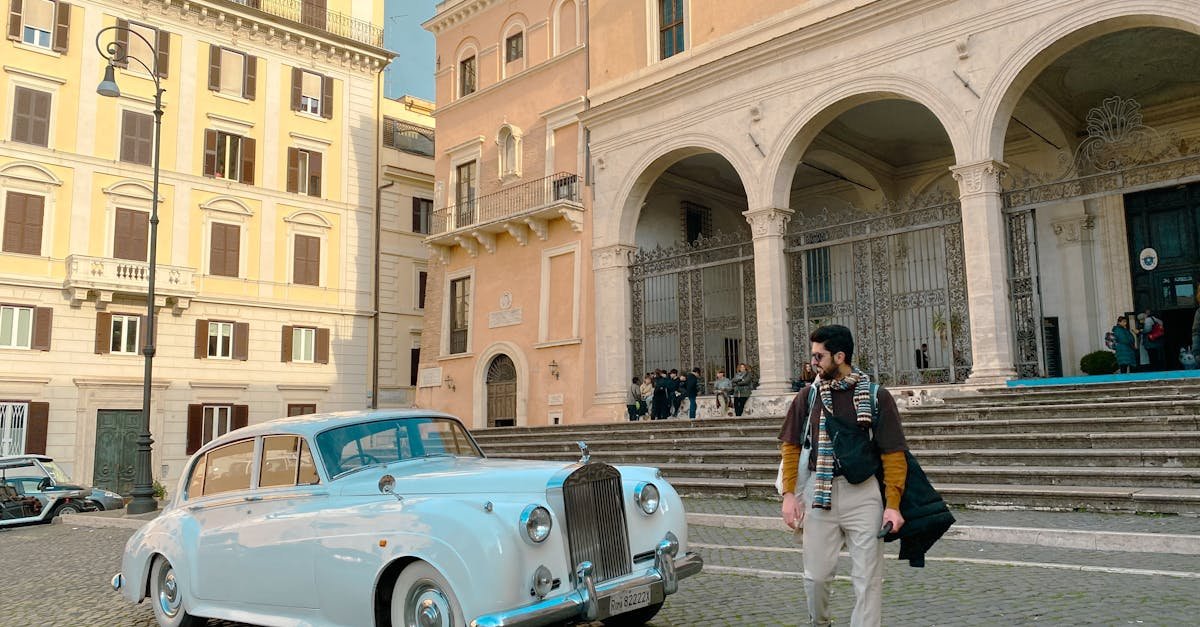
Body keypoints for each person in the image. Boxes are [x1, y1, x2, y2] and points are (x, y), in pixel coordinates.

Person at [778, 324, 909, 627]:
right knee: (816, 578)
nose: (813, 361)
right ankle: (820, 623)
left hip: (863, 494)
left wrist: (893, 504)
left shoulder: (877, 397)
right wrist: (788, 495)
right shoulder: (806, 398)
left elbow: (893, 454)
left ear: (839, 356)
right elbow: (791, 447)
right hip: (818, 492)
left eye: (818, 355)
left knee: (868, 579)